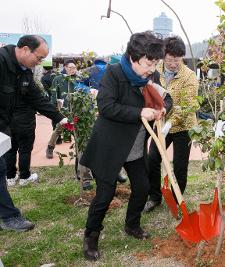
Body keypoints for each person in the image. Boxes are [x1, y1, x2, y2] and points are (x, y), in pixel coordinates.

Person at [79, 31, 172, 261]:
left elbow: (165, 97)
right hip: (111, 146)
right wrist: (140, 112)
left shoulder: (151, 75)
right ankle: (91, 236)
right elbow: (106, 106)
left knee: (142, 187)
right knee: (105, 194)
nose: (152, 68)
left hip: (136, 146)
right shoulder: (114, 73)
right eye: (149, 62)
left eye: (155, 63)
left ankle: (132, 225)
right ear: (133, 56)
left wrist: (163, 109)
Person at [0, 35, 66, 231]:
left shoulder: (24, 72)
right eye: (39, 58)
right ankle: (9, 217)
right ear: (26, 49)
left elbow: (36, 98)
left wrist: (59, 117)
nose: (39, 63)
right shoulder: (2, 63)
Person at [144, 36, 199, 212]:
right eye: (170, 60)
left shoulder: (189, 76)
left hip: (183, 126)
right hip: (161, 125)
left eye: (177, 60)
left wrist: (172, 122)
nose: (174, 64)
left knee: (180, 165)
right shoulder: (154, 70)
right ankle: (154, 197)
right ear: (163, 56)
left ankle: (177, 198)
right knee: (153, 158)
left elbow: (188, 105)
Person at [5, 77, 65, 186]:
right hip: (25, 121)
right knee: (24, 150)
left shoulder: (6, 81)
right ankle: (24, 176)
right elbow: (40, 102)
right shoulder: (27, 83)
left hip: (8, 120)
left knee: (10, 149)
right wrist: (58, 117)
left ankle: (10, 177)